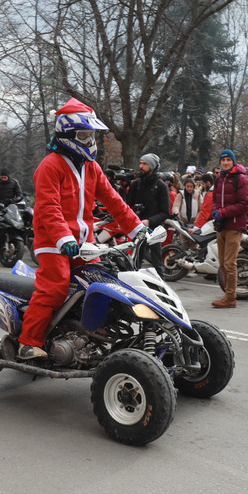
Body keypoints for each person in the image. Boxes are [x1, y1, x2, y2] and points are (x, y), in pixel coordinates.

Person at [18, 97, 144, 360]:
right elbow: (48, 208)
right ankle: (29, 342)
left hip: (84, 243)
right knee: (54, 287)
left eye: (92, 135)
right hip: (53, 242)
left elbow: (115, 201)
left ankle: (92, 337)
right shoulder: (50, 166)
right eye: (84, 135)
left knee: (102, 285)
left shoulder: (92, 167)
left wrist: (136, 229)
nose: (90, 141)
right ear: (68, 135)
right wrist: (63, 238)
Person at [210, 149, 248, 308]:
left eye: (228, 160)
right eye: (223, 160)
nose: (225, 162)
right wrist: (216, 210)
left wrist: (223, 212)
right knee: (222, 263)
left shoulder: (241, 179)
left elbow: (245, 204)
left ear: (233, 161)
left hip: (234, 226)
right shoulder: (219, 179)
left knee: (229, 263)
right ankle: (228, 294)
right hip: (221, 226)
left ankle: (230, 297)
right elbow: (214, 199)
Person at [126, 153, 171, 276]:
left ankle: (162, 290)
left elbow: (165, 212)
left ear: (152, 166)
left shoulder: (161, 186)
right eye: (140, 163)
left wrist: (149, 221)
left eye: (144, 164)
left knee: (157, 263)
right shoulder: (136, 184)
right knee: (135, 262)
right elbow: (127, 206)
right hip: (137, 227)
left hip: (154, 229)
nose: (141, 166)